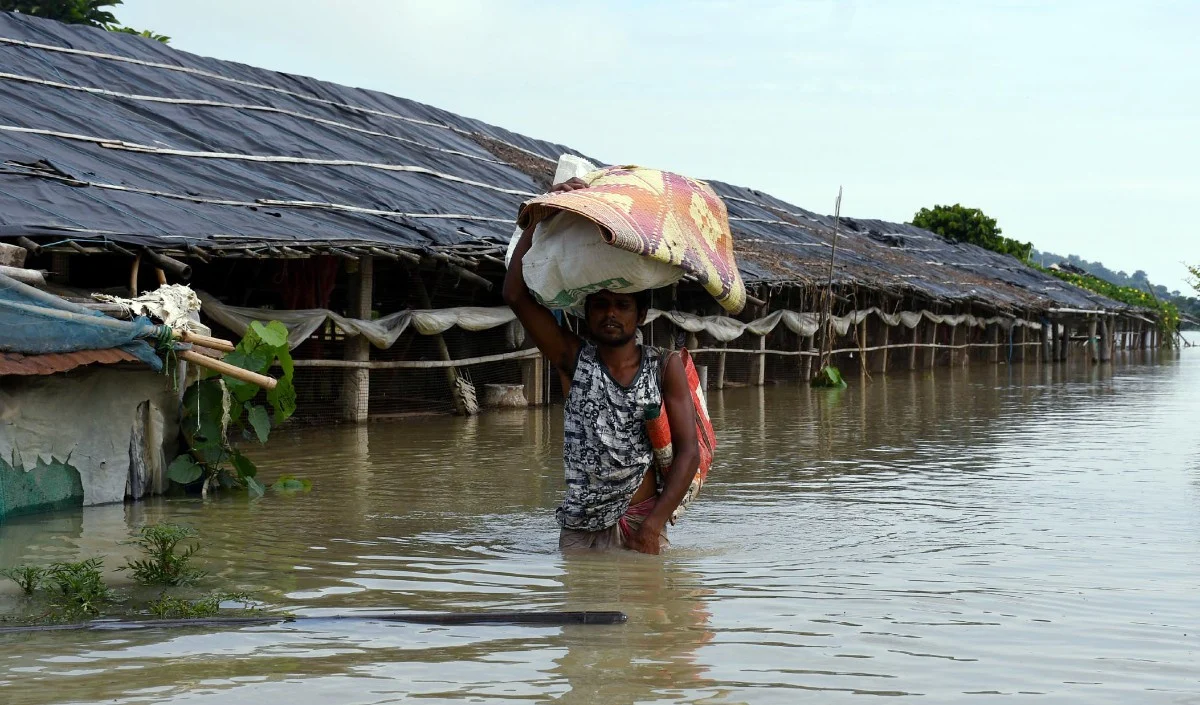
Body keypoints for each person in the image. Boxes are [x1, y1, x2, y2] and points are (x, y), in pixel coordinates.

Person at [503, 178, 700, 555]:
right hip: (580, 525)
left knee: (645, 615)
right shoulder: (573, 360)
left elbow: (688, 453)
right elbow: (515, 294)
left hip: (641, 520)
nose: (611, 313)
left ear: (640, 314)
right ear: (587, 313)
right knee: (578, 610)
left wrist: (653, 526)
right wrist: (539, 217)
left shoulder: (663, 367)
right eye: (601, 305)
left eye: (622, 305)